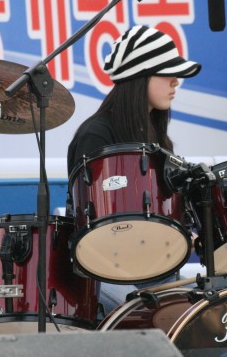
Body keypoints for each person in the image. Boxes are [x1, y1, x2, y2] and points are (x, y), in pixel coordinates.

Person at [67, 25, 202, 317]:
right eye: (167, 74)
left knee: (200, 316)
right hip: (104, 272)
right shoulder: (96, 134)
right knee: (139, 316)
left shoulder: (156, 137)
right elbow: (90, 224)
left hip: (154, 268)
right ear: (140, 78)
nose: (176, 82)